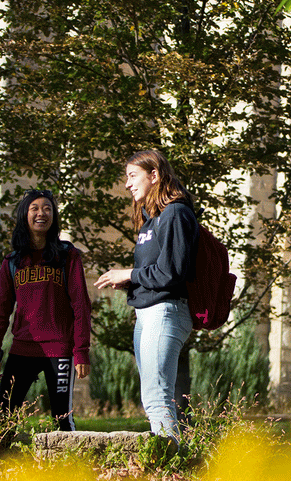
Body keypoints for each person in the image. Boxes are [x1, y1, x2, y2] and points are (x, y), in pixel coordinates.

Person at [94, 150, 196, 439]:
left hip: (165, 313)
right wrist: (132, 283)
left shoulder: (176, 213)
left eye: (132, 176)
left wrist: (128, 274)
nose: (127, 184)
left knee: (157, 397)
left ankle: (172, 467)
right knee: (153, 397)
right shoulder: (152, 219)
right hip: (149, 313)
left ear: (154, 175)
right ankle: (172, 462)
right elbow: (158, 273)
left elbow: (172, 272)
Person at [0, 189, 91, 431]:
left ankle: (68, 468)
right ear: (25, 215)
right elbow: (0, 310)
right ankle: (4, 466)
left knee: (62, 418)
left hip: (60, 350)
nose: (41, 213)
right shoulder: (12, 262)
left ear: (53, 216)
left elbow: (80, 305)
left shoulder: (68, 256)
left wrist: (81, 351)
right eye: (34, 208)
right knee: (4, 416)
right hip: (23, 348)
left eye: (47, 208)